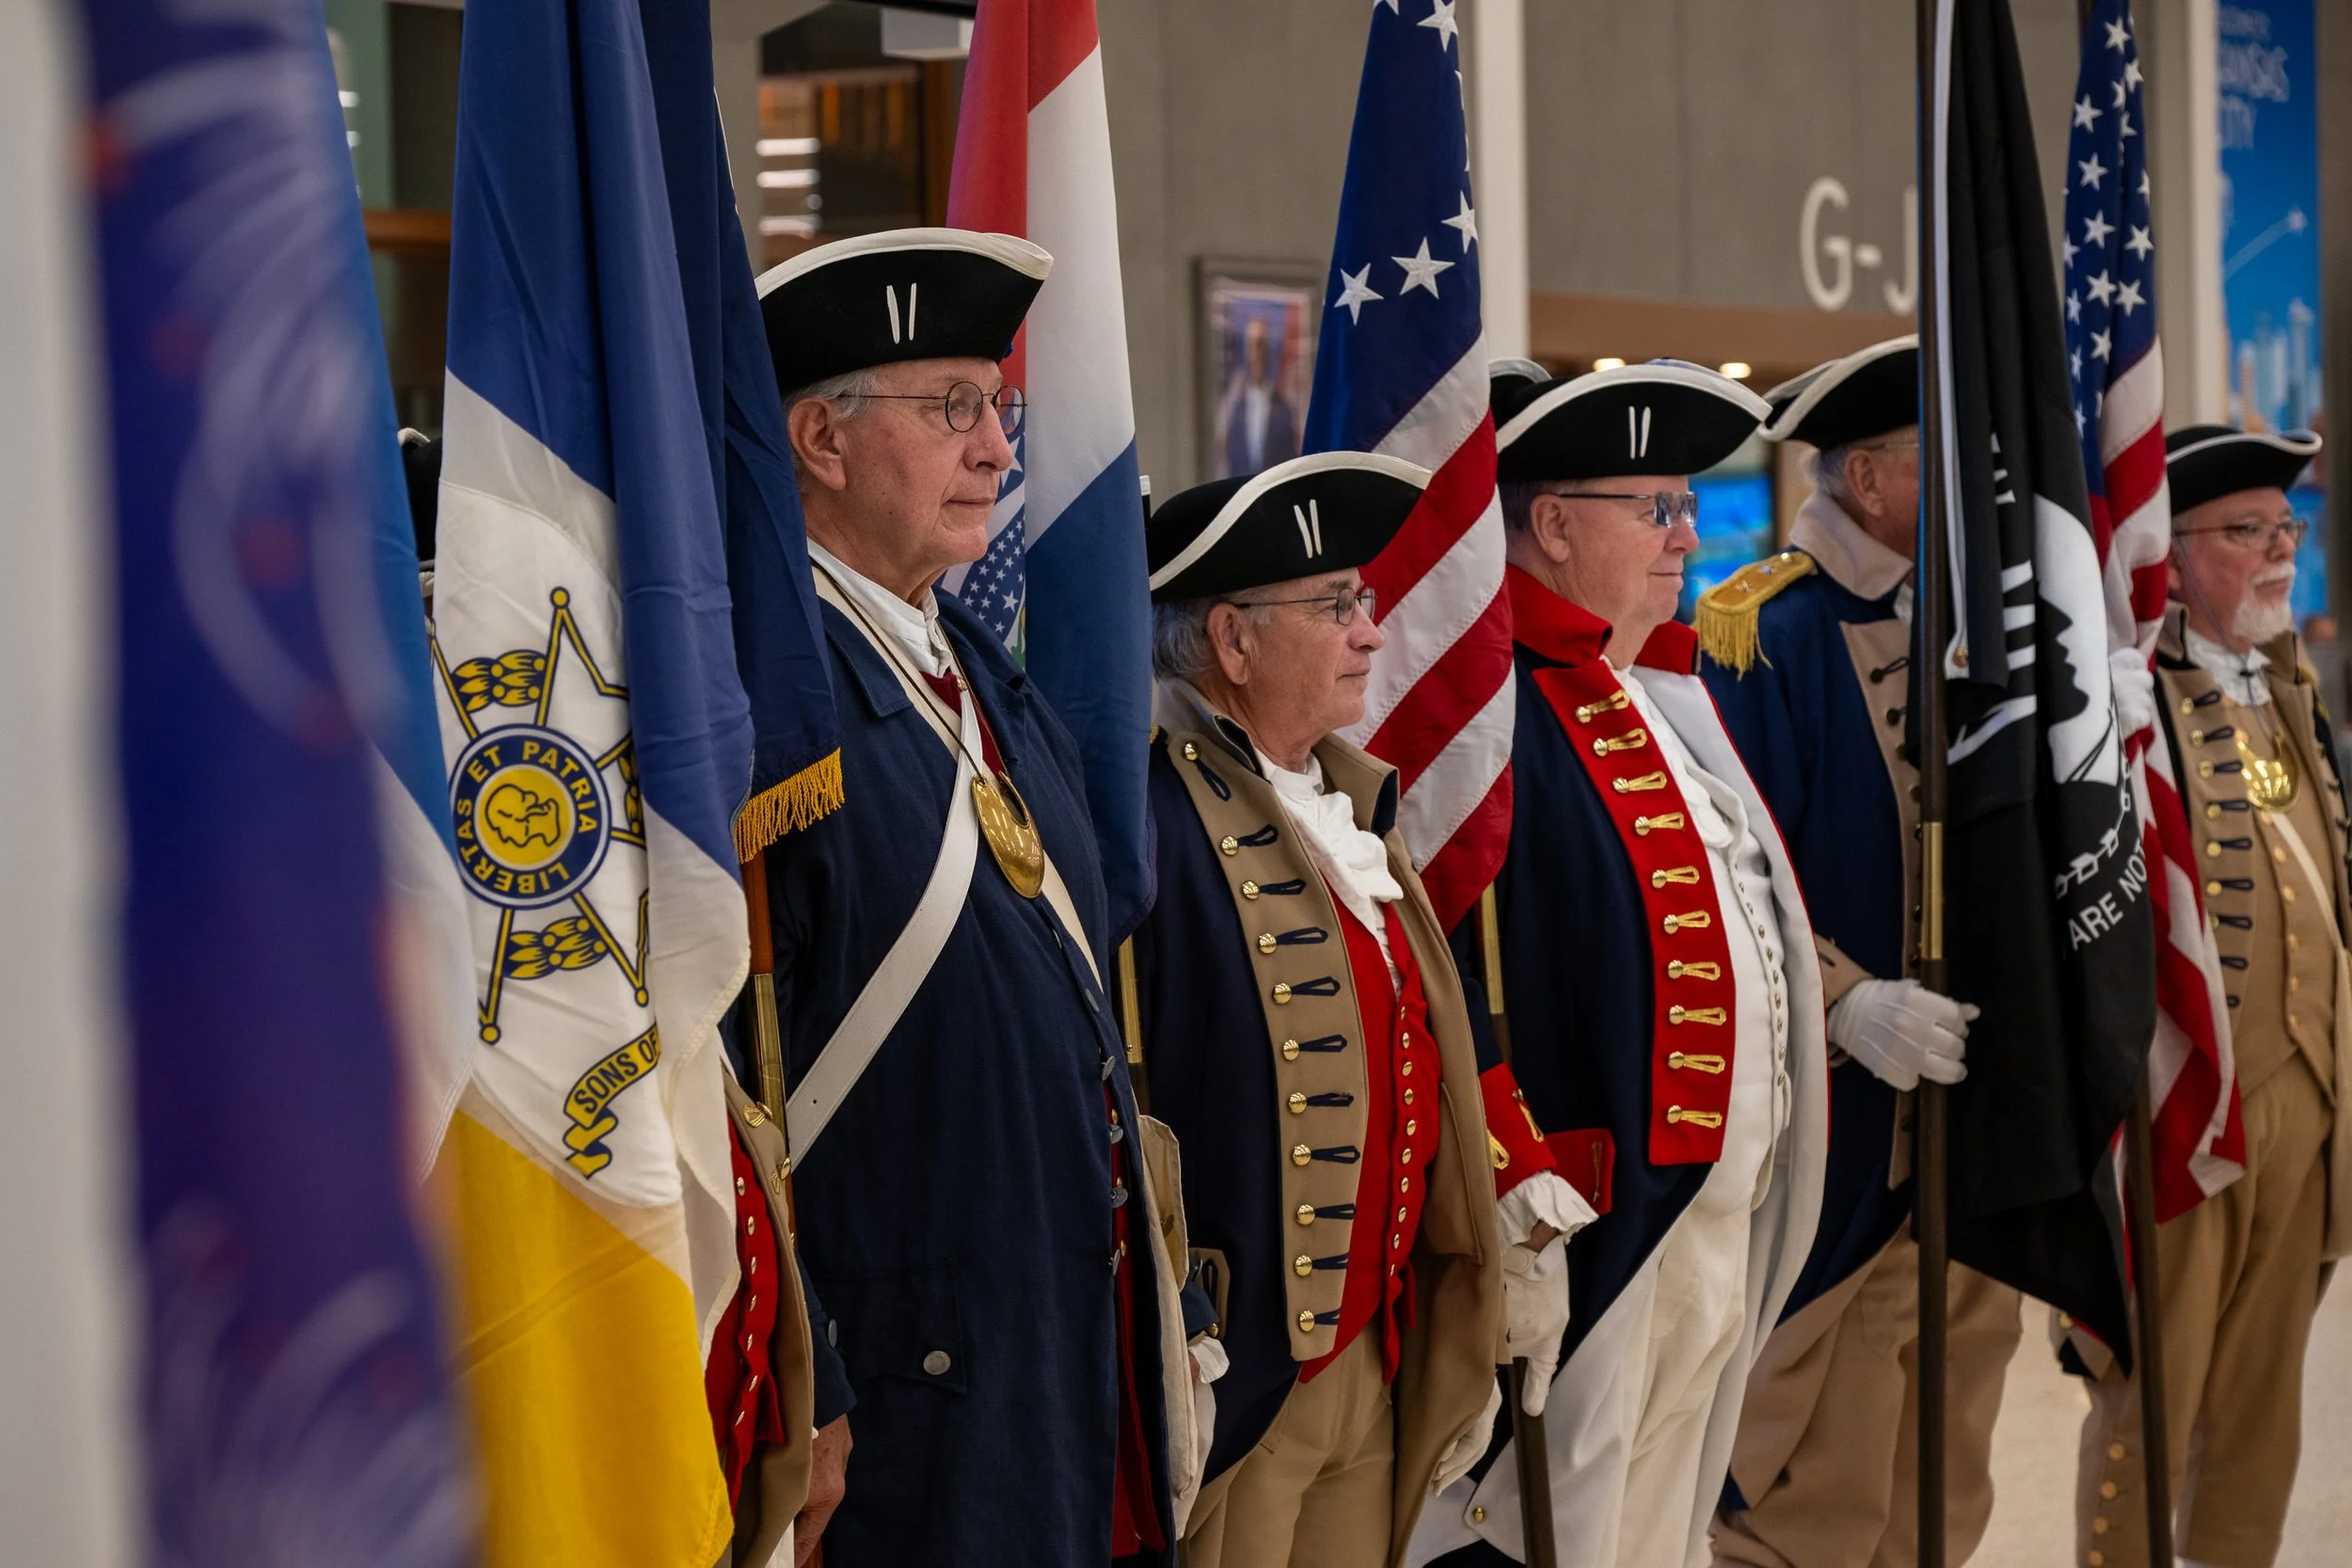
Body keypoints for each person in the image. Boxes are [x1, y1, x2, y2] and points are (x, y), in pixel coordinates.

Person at [746, 227, 1185, 1566]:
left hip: (1043, 1345)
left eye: (995, 407)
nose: (998, 446)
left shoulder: (982, 674)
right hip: (895, 1390)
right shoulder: (777, 704)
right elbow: (730, 1076)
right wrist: (799, 1372)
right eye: (952, 409)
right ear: (820, 441)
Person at [1412, 361, 1829, 1568]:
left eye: (1687, 506)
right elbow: (1468, 971)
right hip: (1602, 1213)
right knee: (1562, 1530)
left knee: (1660, 1522)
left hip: (1713, 1210)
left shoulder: (1654, 693)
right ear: (1549, 524)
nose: (1685, 534)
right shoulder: (1496, 720)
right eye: (1654, 507)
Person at [1132, 451, 1573, 1566]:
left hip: (1378, 1343)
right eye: (1336, 606)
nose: (1371, 632)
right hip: (1248, 1368)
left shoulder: (1344, 805)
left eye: (1363, 602)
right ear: (1232, 641)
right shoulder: (1155, 817)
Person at [1696, 338, 2012, 1568]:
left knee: (1949, 1475)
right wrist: (1842, 1000)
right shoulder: (1758, 635)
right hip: (1844, 1139)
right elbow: (1736, 878)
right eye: (1940, 461)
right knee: (1813, 1487)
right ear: (1870, 476)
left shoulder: (1969, 624)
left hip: (1965, 1134)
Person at [2066, 424, 2344, 1568]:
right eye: (2245, 531)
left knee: (2263, 1405)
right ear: (2165, 553)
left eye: (2286, 526)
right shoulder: (2135, 702)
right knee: (2151, 1393)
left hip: (2304, 1095)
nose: (2278, 552)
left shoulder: (2283, 684)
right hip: (2184, 1104)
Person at [1220, 315, 1301, 476]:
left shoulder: (1285, 407)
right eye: (1253, 346)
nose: (1257, 355)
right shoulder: (1233, 409)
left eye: (1262, 346)